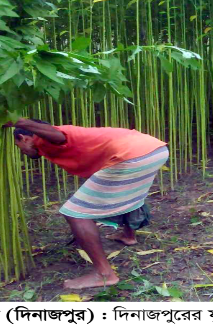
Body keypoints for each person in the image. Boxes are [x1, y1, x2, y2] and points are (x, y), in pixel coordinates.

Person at [9, 118, 169, 289]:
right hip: (155, 150)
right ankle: (128, 236)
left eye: (18, 146)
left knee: (74, 213)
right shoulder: (67, 139)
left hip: (131, 156)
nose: (22, 152)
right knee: (128, 194)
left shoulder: (45, 137)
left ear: (24, 138)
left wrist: (17, 121)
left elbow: (57, 136)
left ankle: (104, 274)